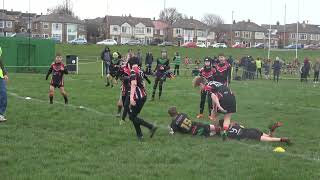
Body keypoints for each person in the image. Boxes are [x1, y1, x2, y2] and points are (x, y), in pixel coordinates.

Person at [193, 76, 236, 140]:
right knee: (227, 117)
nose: (200, 89)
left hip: (223, 98)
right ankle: (224, 132)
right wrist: (214, 107)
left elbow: (214, 96)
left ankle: (216, 130)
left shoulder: (207, 86)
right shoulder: (213, 82)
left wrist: (218, 106)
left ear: (201, 84)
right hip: (231, 96)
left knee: (213, 115)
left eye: (199, 87)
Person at [128, 57, 157, 141]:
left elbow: (133, 84)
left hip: (138, 98)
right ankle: (139, 135)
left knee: (132, 117)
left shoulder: (133, 71)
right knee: (133, 116)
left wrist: (131, 98)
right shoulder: (140, 70)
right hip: (143, 96)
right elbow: (143, 83)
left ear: (130, 64)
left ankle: (151, 127)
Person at [216, 119, 291, 144]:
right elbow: (242, 127)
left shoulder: (227, 134)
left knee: (270, 140)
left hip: (251, 135)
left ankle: (283, 139)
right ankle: (271, 130)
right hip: (252, 130)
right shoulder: (235, 125)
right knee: (269, 136)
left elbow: (226, 139)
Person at [0, 55, 8, 122]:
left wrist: (4, 73)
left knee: (3, 94)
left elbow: (0, 61)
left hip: (0, 76)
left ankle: (0, 115)